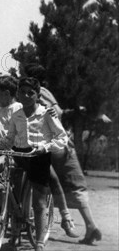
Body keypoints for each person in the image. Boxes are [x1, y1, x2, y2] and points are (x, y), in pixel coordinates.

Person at [0, 76, 79, 238]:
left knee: (52, 180)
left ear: (7, 94)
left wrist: (51, 110)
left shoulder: (21, 105)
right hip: (11, 152)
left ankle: (65, 217)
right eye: (22, 92)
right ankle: (2, 200)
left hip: (35, 151)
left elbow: (40, 110)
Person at [23, 64, 101, 244]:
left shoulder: (28, 94)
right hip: (62, 143)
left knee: (38, 181)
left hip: (43, 144)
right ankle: (89, 224)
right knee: (75, 184)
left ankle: (30, 222)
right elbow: (58, 113)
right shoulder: (47, 93)